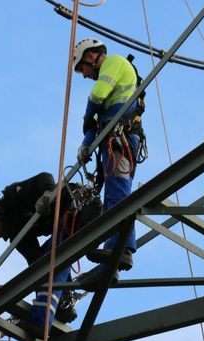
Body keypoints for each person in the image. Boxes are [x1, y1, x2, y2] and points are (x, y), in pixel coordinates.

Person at [0, 172, 100, 329]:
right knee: (44, 262)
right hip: (67, 225)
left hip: (77, 205)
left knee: (54, 256)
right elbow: (36, 263)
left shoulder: (12, 197)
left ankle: (41, 319)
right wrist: (40, 287)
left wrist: (48, 194)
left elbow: (44, 177)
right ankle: (63, 301)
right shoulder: (17, 234)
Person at [73, 37, 144, 273]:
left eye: (82, 67)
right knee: (111, 193)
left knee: (118, 191)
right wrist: (86, 143)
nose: (84, 74)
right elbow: (97, 121)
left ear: (91, 56)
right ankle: (111, 260)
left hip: (120, 138)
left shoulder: (115, 62)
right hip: (112, 138)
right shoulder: (110, 86)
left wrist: (86, 118)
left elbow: (96, 96)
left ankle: (121, 249)